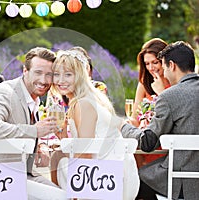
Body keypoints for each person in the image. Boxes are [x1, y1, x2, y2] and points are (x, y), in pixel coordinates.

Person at [0, 47, 67, 200]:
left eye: (48, 74)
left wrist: (37, 145)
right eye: (38, 73)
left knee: (63, 196)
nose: (43, 80)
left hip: (18, 175)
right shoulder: (5, 92)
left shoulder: (32, 98)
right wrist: (33, 131)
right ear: (25, 71)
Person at [50, 49, 140, 200]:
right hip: (117, 170)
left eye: (68, 74)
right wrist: (62, 135)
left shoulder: (83, 103)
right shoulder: (90, 97)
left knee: (58, 161)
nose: (60, 80)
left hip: (109, 177)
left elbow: (86, 152)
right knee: (58, 157)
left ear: (79, 76)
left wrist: (80, 192)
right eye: (57, 74)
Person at [121, 41, 199, 199]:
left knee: (132, 180)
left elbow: (148, 142)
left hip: (182, 178)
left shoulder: (169, 96)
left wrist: (122, 126)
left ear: (172, 65)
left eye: (162, 66)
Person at [131, 38, 170, 126]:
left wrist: (161, 91)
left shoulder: (175, 82)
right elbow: (135, 118)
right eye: (147, 64)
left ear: (164, 61)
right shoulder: (144, 83)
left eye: (155, 62)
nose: (151, 68)